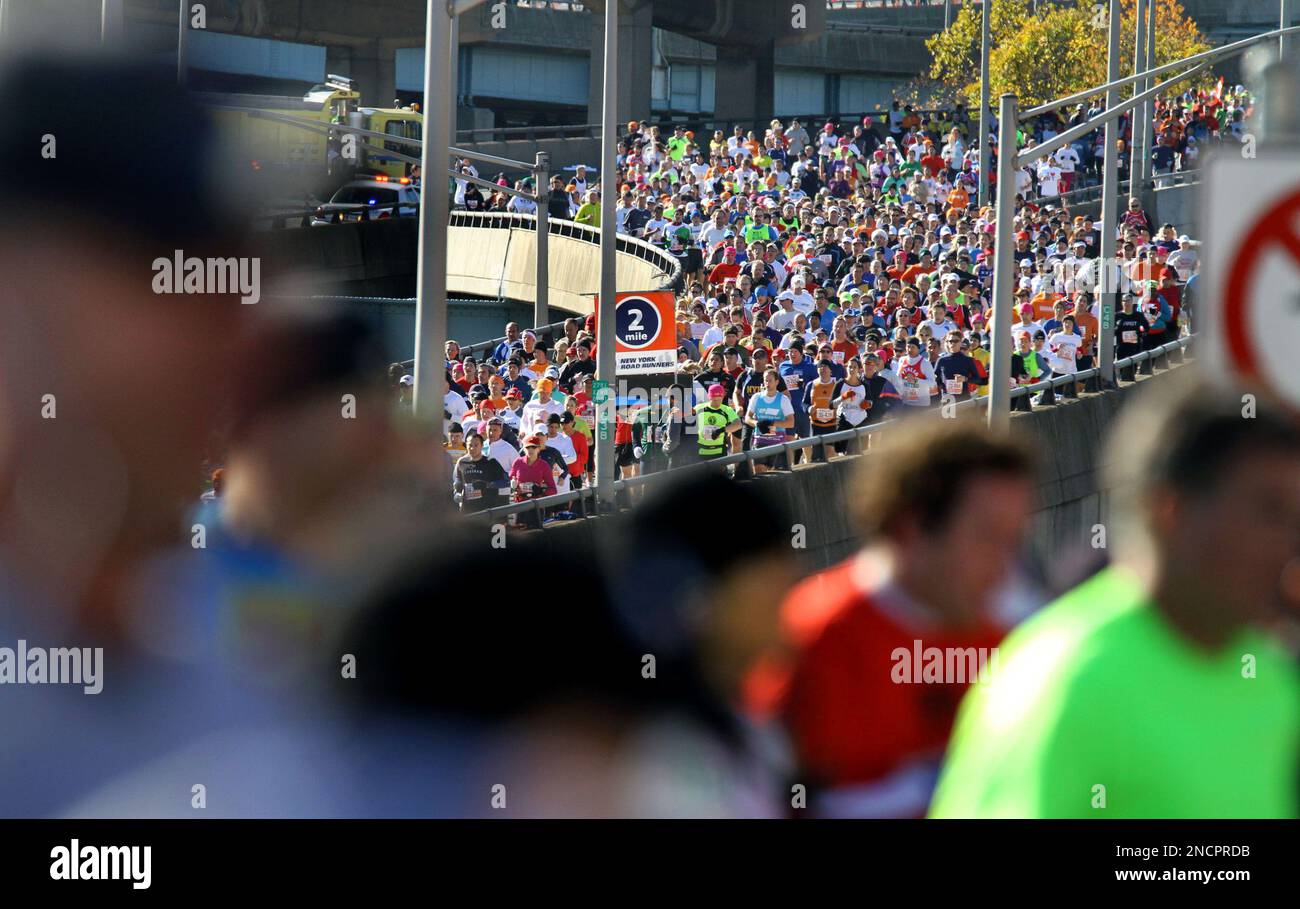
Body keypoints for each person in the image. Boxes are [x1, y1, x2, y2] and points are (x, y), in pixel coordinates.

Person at [931, 379, 1300, 818]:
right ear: (1170, 509)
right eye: (1269, 512)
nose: (1290, 543)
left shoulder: (1271, 679)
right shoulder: (1063, 682)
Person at [748, 420, 1037, 817]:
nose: (1007, 567)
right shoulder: (807, 640)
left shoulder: (1023, 633)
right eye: (988, 538)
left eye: (1015, 539)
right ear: (912, 526)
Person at [743, 367, 794, 473]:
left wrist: (772, 423)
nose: (767, 383)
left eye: (770, 380)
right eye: (765, 380)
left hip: (777, 442)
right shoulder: (756, 397)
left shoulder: (783, 399)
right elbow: (747, 418)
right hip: (760, 440)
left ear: (777, 382)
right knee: (759, 472)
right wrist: (757, 423)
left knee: (776, 474)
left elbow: (791, 423)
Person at [453, 430, 508, 514]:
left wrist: (487, 485)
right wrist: (458, 490)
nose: (472, 448)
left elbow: (506, 482)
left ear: (482, 446)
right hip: (467, 510)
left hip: (487, 510)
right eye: (470, 445)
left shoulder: (491, 462)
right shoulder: (462, 462)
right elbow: (458, 480)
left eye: (476, 445)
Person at [693, 384, 742, 464]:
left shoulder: (727, 410)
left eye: (719, 400)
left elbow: (738, 424)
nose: (717, 403)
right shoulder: (699, 408)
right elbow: (685, 416)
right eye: (714, 400)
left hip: (719, 451)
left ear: (723, 397)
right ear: (709, 397)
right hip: (700, 451)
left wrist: (721, 430)